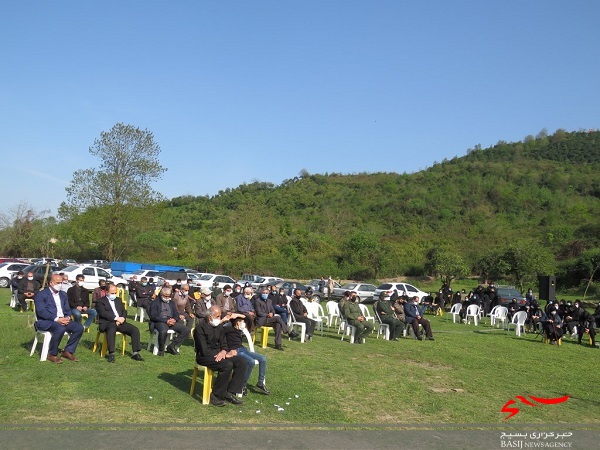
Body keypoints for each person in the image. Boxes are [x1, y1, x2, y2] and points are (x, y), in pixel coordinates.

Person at [193, 305, 249, 406]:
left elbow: (224, 343)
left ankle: (229, 392)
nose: (220, 318)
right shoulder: (199, 329)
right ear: (210, 317)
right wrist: (221, 354)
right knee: (227, 365)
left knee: (242, 361)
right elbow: (204, 350)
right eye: (218, 316)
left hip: (220, 353)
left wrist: (224, 351)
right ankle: (215, 395)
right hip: (204, 357)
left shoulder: (219, 327)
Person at [33, 273, 84, 364]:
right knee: (60, 328)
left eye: (61, 282)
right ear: (51, 283)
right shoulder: (41, 295)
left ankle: (68, 351)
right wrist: (57, 319)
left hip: (63, 319)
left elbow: (67, 309)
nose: (60, 285)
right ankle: (52, 354)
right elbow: (41, 312)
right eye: (58, 282)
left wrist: (67, 317)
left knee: (79, 327)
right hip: (47, 321)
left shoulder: (63, 294)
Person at [96, 284, 144, 362]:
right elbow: (103, 313)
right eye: (112, 293)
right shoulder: (100, 301)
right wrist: (116, 318)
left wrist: (122, 318)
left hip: (120, 322)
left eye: (115, 293)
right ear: (107, 292)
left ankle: (136, 353)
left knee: (135, 330)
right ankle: (111, 353)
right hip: (107, 323)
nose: (114, 295)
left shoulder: (118, 300)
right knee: (111, 329)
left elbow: (124, 311)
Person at [224, 315, 270, 396]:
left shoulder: (240, 330)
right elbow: (219, 328)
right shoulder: (229, 329)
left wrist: (238, 315)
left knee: (263, 358)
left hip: (243, 349)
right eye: (242, 322)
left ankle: (260, 383)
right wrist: (228, 318)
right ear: (237, 322)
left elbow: (248, 318)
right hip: (236, 351)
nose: (244, 323)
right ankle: (243, 384)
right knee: (251, 361)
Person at [149, 287, 192, 356]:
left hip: (171, 320)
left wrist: (174, 319)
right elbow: (153, 316)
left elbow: (176, 313)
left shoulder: (171, 302)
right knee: (163, 331)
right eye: (165, 296)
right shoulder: (155, 303)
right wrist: (166, 321)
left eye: (168, 296)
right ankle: (161, 349)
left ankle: (172, 345)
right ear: (161, 295)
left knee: (186, 330)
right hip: (160, 321)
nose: (167, 298)